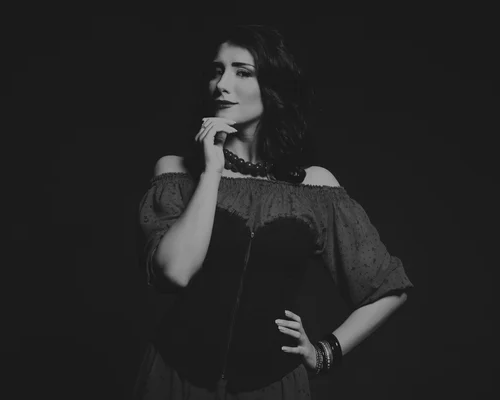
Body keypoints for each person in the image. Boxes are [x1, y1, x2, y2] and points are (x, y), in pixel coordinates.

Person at [133, 24, 414, 400]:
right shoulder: (177, 172)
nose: (222, 84)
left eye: (242, 72)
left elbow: (387, 288)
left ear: (273, 88)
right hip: (173, 382)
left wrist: (324, 353)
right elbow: (176, 272)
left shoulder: (314, 188)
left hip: (271, 388)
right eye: (217, 71)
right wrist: (212, 170)